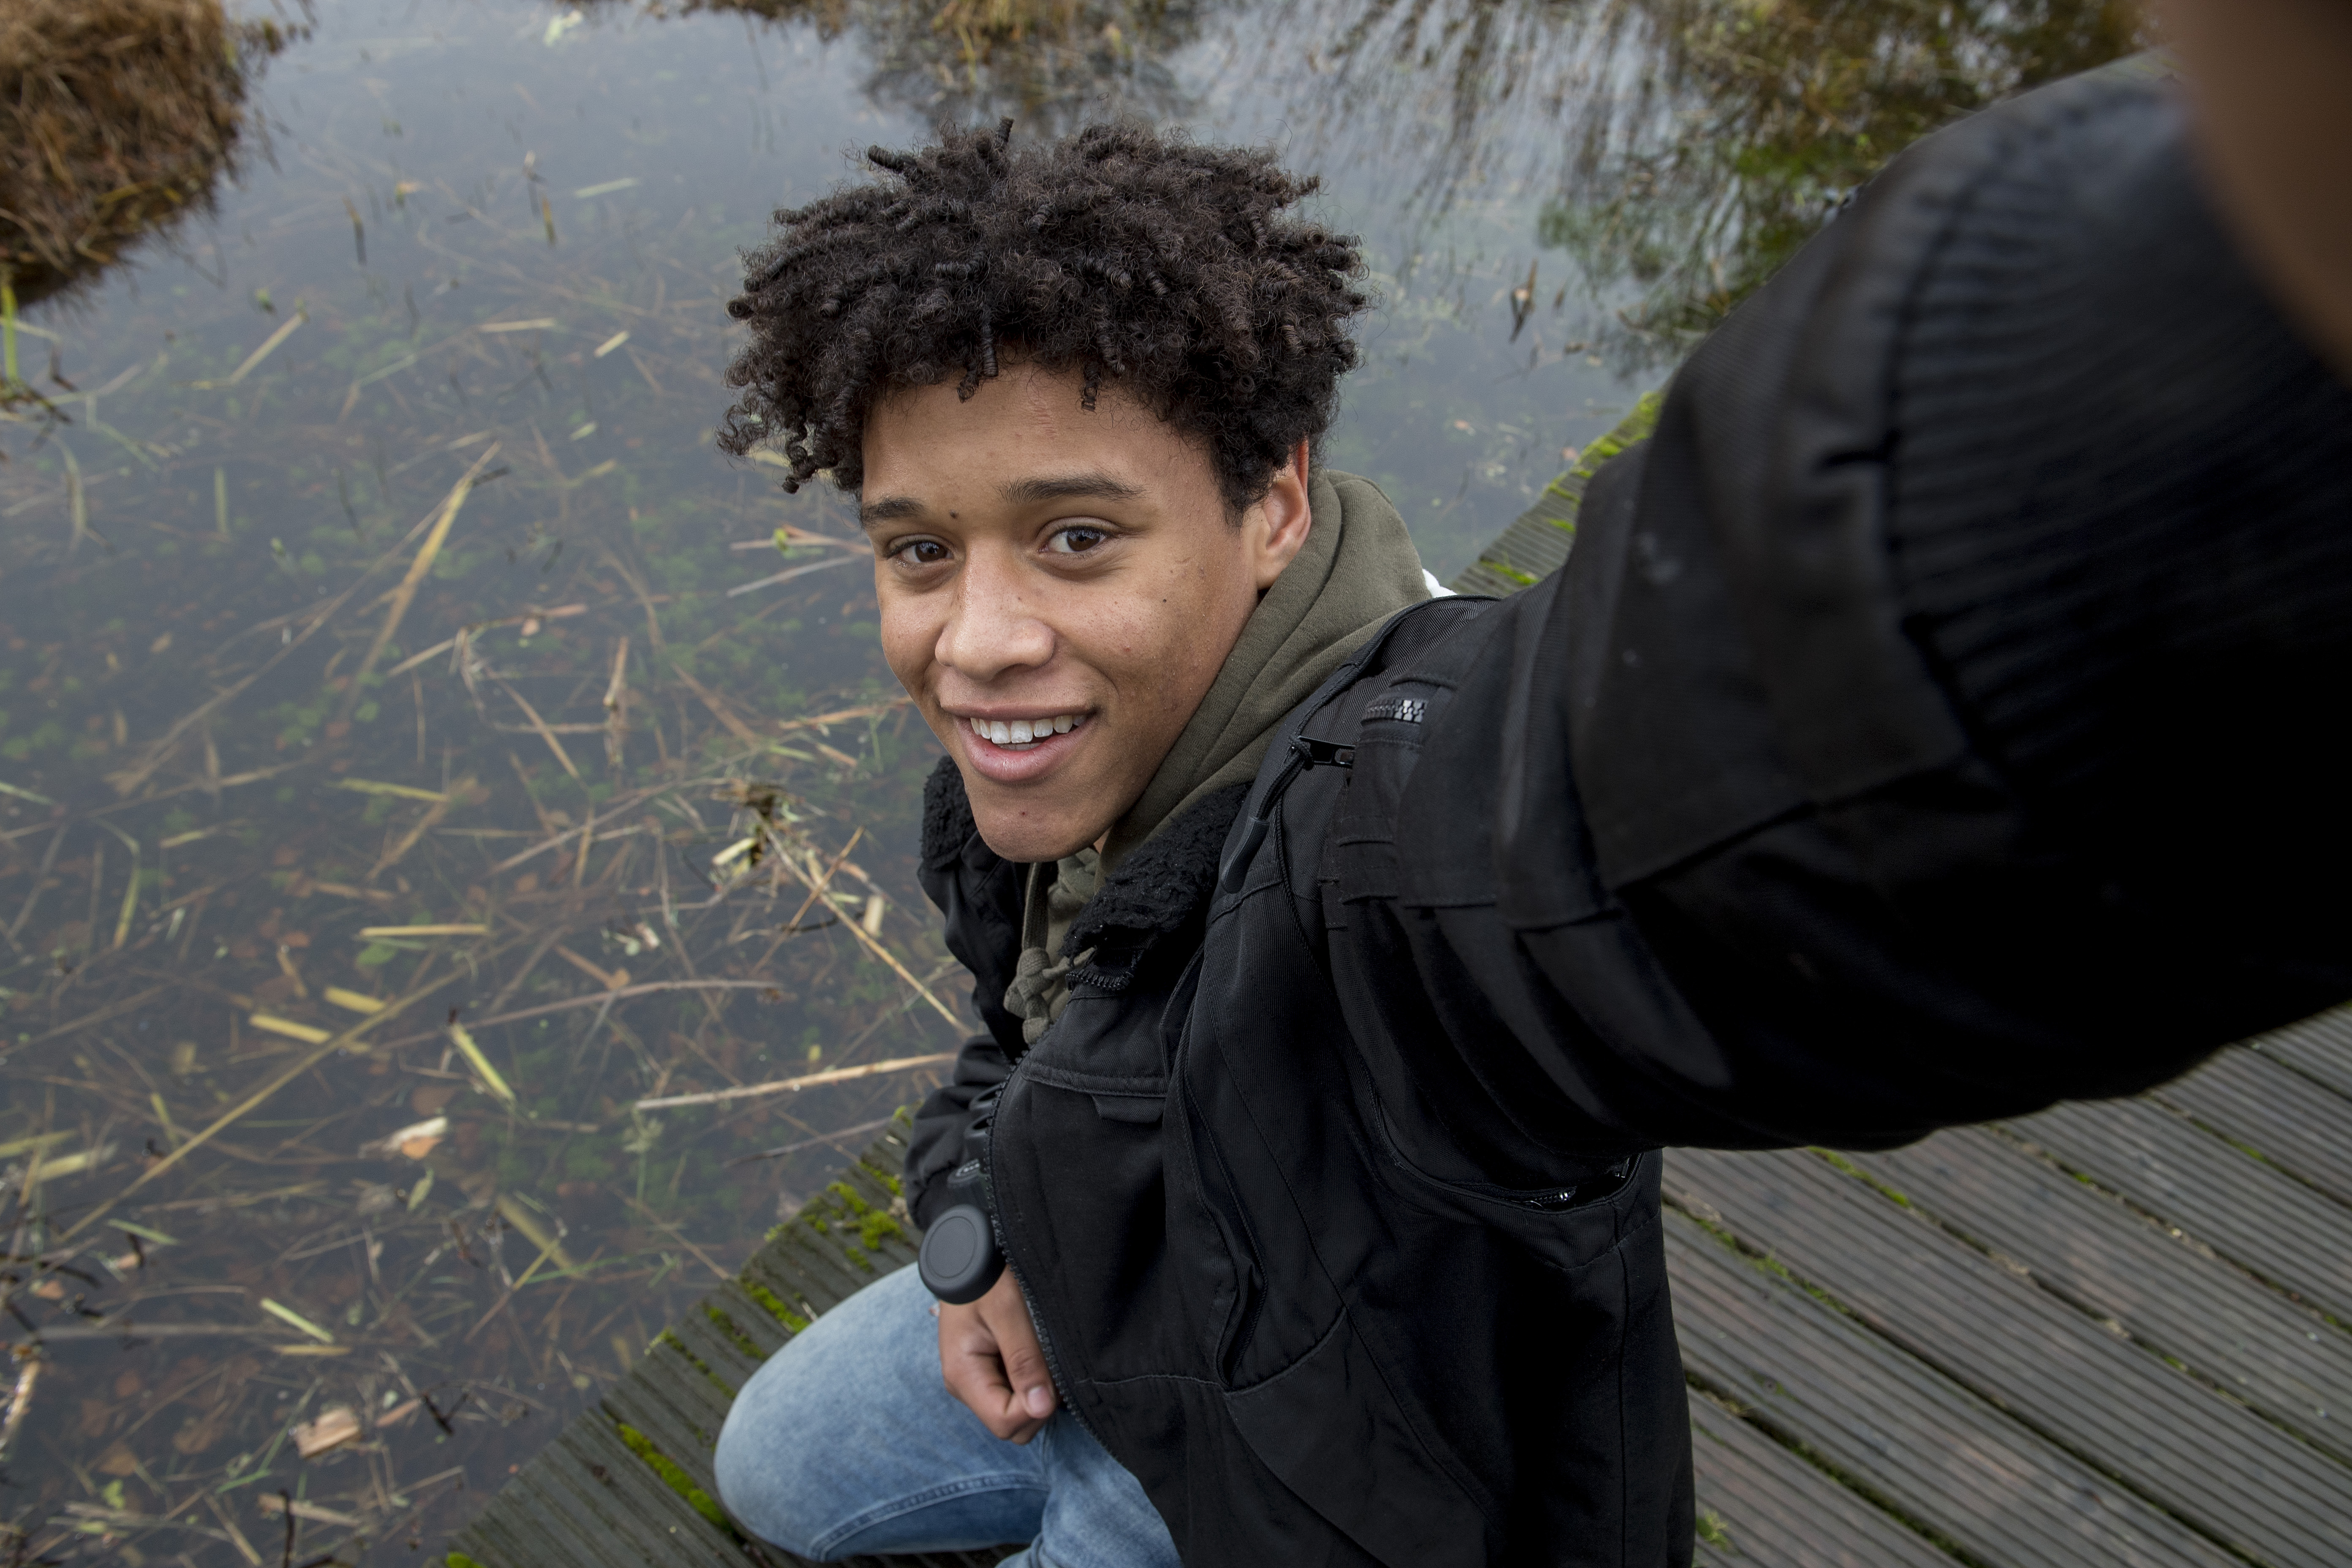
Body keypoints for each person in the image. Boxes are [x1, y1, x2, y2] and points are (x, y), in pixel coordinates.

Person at [709, 2, 2352, 1561]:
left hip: (1293, 1474)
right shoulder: (1037, 768)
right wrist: (969, 1220)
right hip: (1083, 1284)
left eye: (1078, 537)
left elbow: (1724, 754)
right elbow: (1022, 1035)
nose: (977, 641)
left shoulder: (1392, 825)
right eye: (919, 549)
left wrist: (2250, 323)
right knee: (768, 1465)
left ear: (1275, 503)